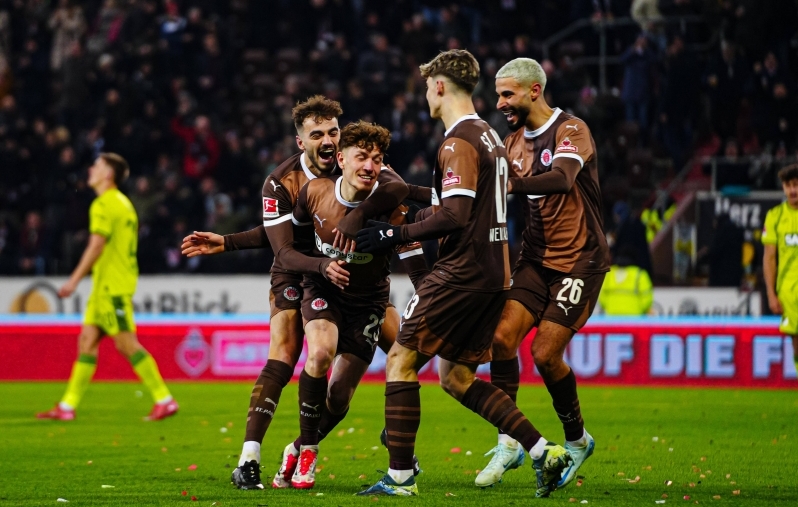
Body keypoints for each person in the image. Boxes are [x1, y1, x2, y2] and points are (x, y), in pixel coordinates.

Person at [356, 49, 571, 498]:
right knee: (456, 377)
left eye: (426, 86)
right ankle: (543, 450)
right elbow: (460, 204)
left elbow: (453, 216)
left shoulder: (456, 142)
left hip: (462, 271)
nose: (425, 95)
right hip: (496, 272)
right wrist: (409, 195)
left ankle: (399, 478)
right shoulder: (489, 136)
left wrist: (393, 235)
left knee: (400, 359)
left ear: (439, 85)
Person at [180, 96, 410, 490]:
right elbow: (284, 244)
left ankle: (388, 428)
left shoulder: (364, 165)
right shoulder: (281, 181)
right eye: (317, 134)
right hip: (299, 270)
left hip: (360, 284)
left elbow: (401, 190)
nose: (328, 140)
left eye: (334, 132)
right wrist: (231, 243)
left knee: (406, 352)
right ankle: (249, 457)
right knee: (286, 352)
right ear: (300, 141)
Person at [265, 121, 427, 489]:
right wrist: (319, 266)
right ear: (341, 158)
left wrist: (430, 297)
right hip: (323, 292)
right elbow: (290, 244)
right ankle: (309, 451)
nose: (370, 166)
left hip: (369, 304)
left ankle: (295, 447)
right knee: (320, 353)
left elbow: (415, 264)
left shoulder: (392, 208)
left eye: (377, 159)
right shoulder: (315, 192)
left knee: (338, 398)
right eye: (361, 157)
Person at [476, 57, 610, 489]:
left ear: (535, 90)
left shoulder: (572, 129)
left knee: (546, 354)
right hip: (535, 260)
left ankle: (576, 440)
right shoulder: (511, 142)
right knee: (500, 339)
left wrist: (512, 184)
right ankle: (509, 440)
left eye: (507, 94)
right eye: (498, 95)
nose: (500, 103)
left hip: (580, 260)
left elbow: (563, 178)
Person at [37, 153, 178, 421]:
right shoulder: (124, 204)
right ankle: (67, 407)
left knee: (126, 344)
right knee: (87, 342)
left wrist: (73, 280)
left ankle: (164, 399)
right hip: (108, 286)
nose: (91, 169)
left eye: (98, 166)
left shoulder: (103, 204)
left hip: (111, 288)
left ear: (108, 174)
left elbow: (97, 245)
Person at [762, 164, 798, 374]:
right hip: (789, 291)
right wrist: (771, 294)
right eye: (788, 186)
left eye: (796, 185)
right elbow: (769, 257)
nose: (792, 190)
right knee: (796, 339)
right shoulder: (775, 216)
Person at [598, 246, 653, 316]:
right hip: (634, 318)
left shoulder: (609, 273)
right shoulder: (639, 274)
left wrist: (610, 306)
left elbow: (601, 296)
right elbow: (647, 298)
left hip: (612, 317)